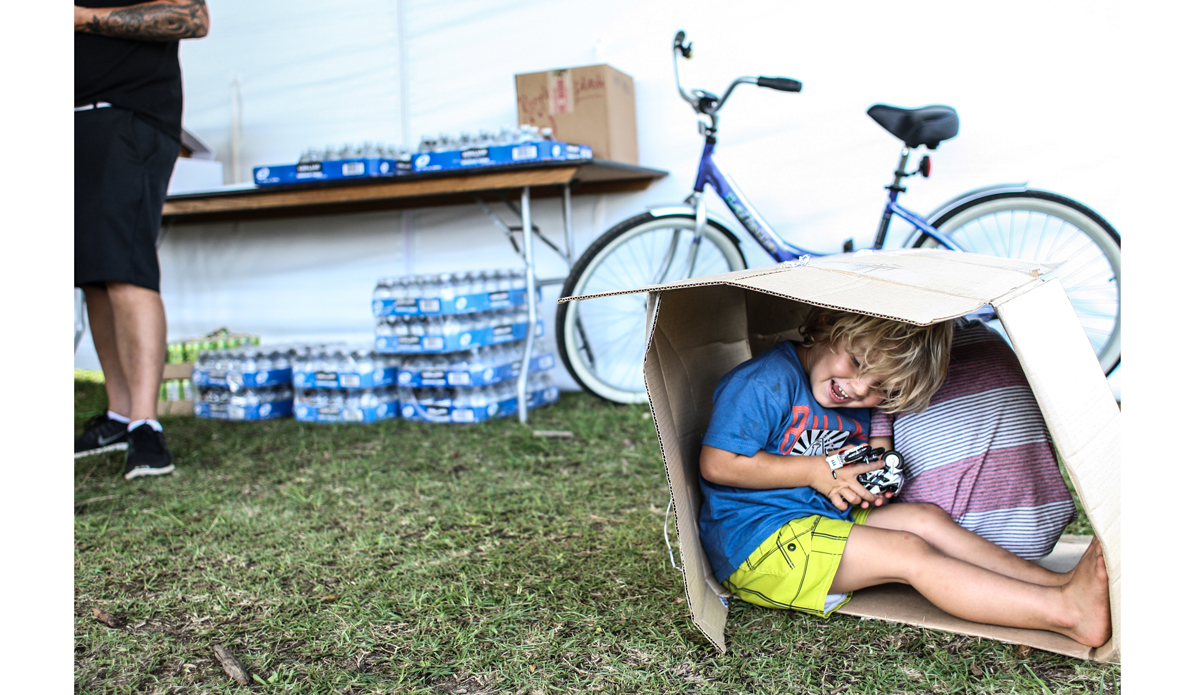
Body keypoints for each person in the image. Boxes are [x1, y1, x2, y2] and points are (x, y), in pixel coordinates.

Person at [697, 308, 1111, 647]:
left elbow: (846, 469)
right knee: (908, 551)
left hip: (818, 520)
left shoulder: (851, 400)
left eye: (880, 387)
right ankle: (1067, 615)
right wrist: (817, 471)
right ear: (824, 326)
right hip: (758, 542)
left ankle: (1057, 584)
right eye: (857, 362)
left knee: (924, 518)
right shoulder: (764, 382)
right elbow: (718, 464)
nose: (858, 388)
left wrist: (864, 483)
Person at [73, 1, 209, 479]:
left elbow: (194, 18)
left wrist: (78, 18)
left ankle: (146, 426)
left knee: (125, 268)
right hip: (74, 121)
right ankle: (118, 414)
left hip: (129, 116)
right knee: (91, 273)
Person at [870, 317, 1077, 560]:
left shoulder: (884, 363)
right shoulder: (990, 338)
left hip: (950, 537)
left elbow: (880, 477)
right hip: (1039, 528)